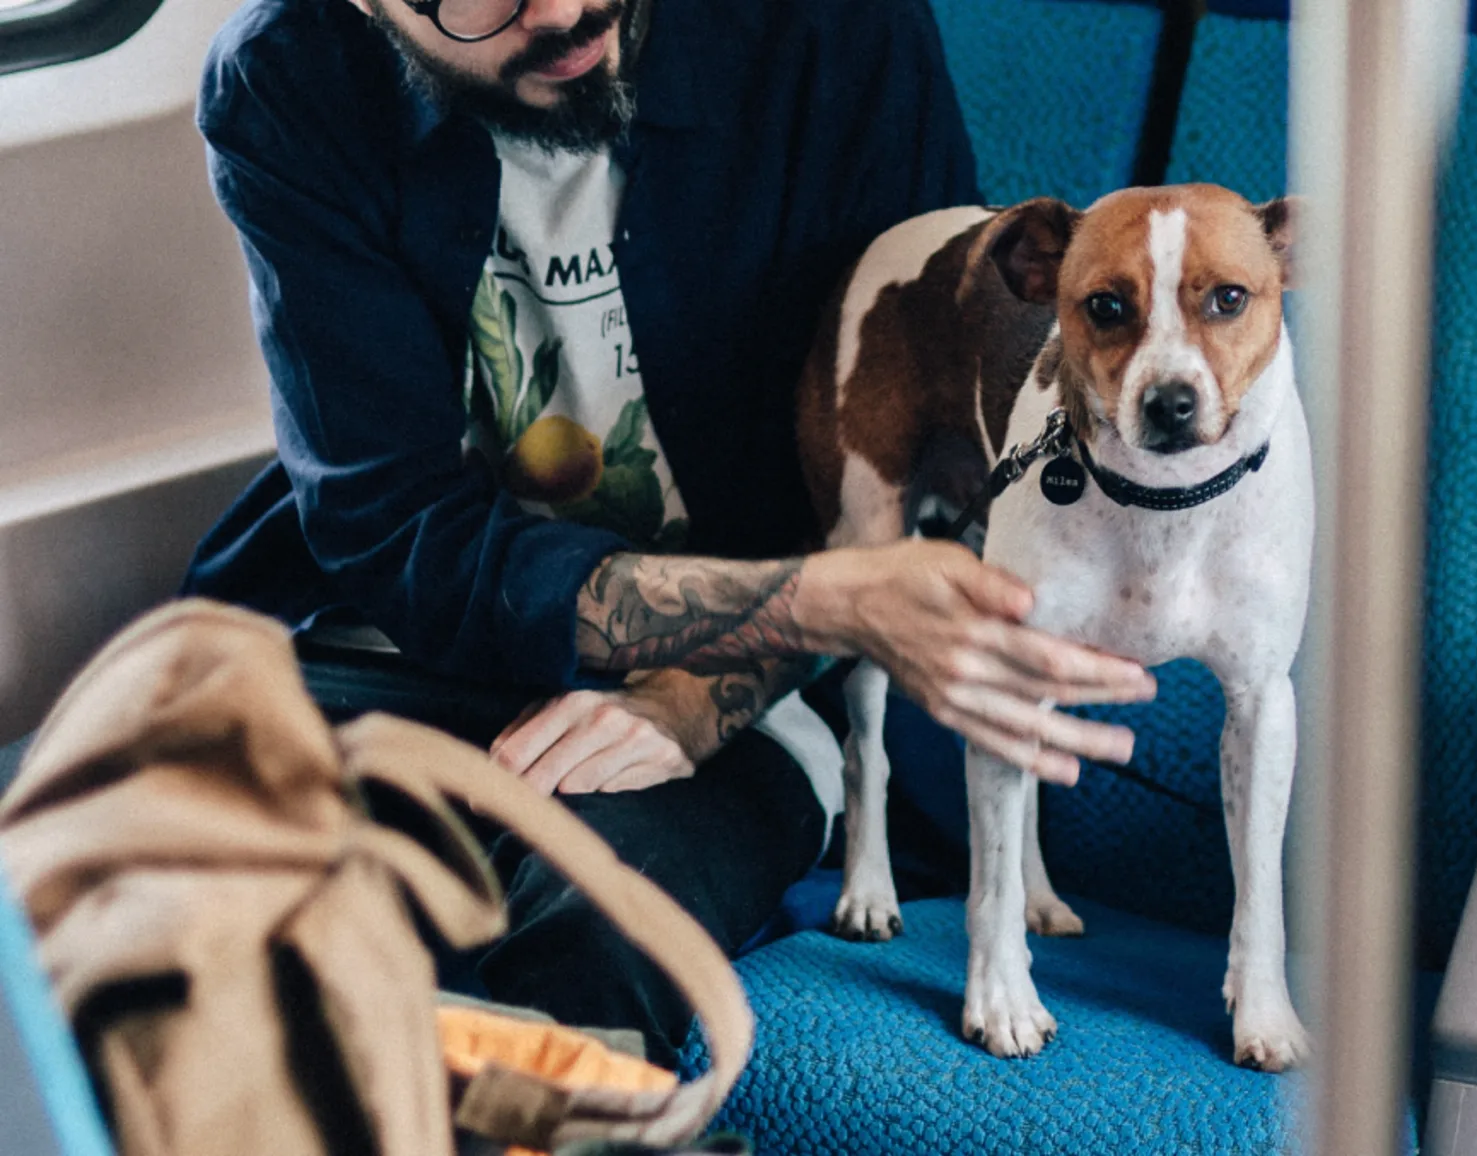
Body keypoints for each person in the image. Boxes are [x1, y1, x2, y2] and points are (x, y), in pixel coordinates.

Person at [183, 0, 1157, 1067]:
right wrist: (808, 602)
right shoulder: (285, 79)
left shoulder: (833, 29)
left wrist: (703, 694)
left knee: (597, 933)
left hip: (755, 685)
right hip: (404, 638)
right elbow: (396, 524)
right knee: (93, 855)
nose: (560, 10)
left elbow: (916, 470)